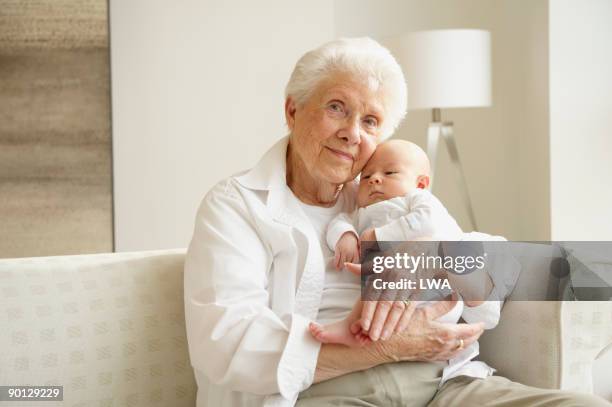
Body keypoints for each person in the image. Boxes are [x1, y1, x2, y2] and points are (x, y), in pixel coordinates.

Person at [184, 37, 610, 406]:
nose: (353, 133)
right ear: (292, 111)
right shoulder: (236, 206)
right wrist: (384, 348)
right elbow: (227, 344)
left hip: (445, 386)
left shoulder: (382, 195)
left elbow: (498, 265)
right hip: (323, 392)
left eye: (370, 121)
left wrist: (430, 258)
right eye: (337, 107)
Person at [308, 138, 500, 387]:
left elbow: (429, 222)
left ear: (420, 183)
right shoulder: (360, 212)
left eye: (389, 173)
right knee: (373, 291)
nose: (375, 179)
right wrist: (344, 236)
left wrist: (378, 237)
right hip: (380, 300)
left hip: (432, 297)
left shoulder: (418, 201)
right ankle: (350, 329)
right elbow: (340, 221)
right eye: (366, 177)